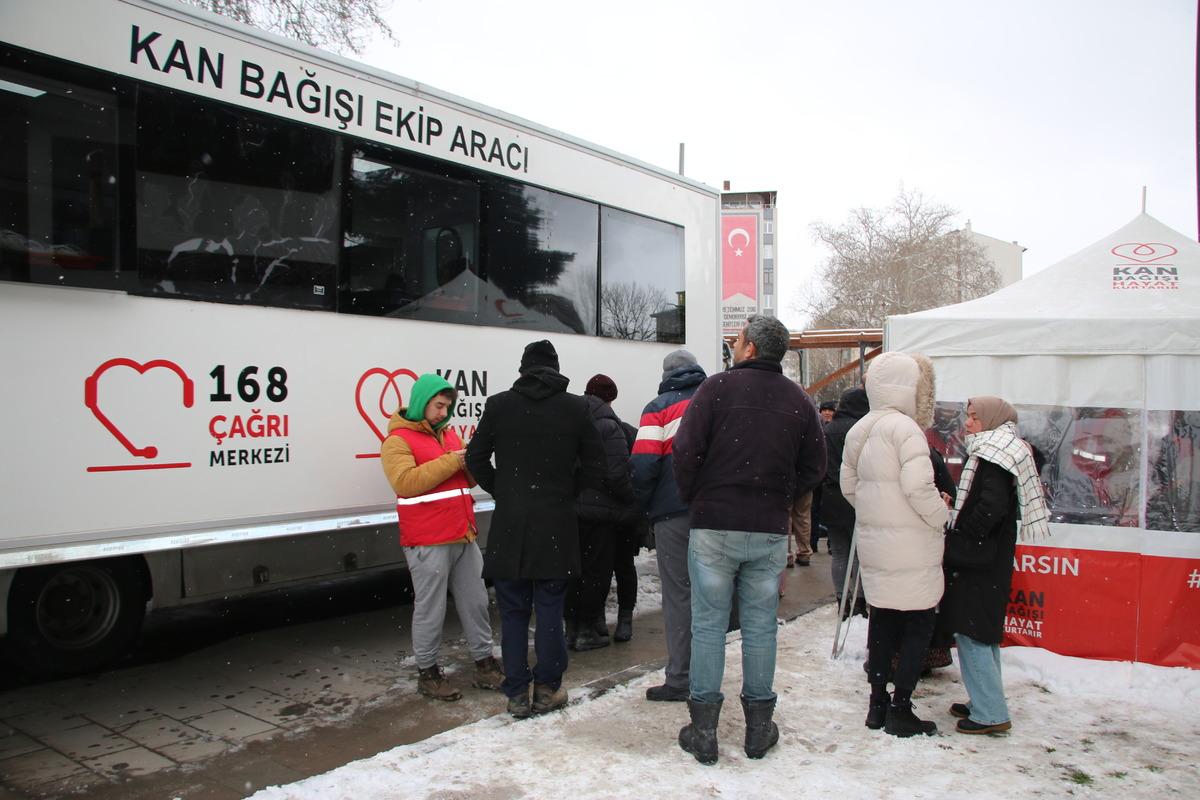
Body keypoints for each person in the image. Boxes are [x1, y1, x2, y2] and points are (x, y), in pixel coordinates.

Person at [673, 315, 827, 764]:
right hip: (768, 529)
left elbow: (685, 452)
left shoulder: (716, 389)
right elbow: (815, 467)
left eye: (737, 341)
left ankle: (703, 732)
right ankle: (759, 729)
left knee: (708, 624)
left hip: (714, 524)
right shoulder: (799, 400)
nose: (733, 347)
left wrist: (698, 496)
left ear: (750, 349)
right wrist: (779, 496)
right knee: (760, 627)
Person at [465, 340, 606, 719]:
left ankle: (515, 693)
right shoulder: (576, 407)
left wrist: (505, 490)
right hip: (556, 525)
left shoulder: (499, 405)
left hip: (511, 524)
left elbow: (474, 458)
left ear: (523, 368)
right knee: (549, 608)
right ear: (556, 369)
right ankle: (547, 688)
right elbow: (597, 465)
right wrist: (567, 495)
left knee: (512, 611)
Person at [841, 351, 948, 738]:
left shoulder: (860, 429)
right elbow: (919, 487)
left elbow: (848, 486)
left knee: (882, 624)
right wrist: (942, 515)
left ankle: (876, 705)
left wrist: (876, 513)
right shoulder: (906, 430)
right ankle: (901, 707)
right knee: (919, 624)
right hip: (912, 545)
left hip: (876, 543)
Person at [380, 373, 504, 701]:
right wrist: (453, 460)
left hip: (461, 534)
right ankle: (428, 672)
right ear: (422, 402)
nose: (443, 412)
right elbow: (405, 483)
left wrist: (472, 460)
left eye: (448, 406)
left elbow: (469, 482)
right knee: (430, 608)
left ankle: (484, 662)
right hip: (427, 538)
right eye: (438, 405)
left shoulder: (449, 436)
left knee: (476, 601)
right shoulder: (398, 441)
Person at [941, 396, 1050, 735]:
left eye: (974, 417)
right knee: (982, 632)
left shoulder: (994, 456)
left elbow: (991, 508)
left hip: (980, 558)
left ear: (990, 419)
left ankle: (990, 711)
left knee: (971, 630)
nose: (968, 423)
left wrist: (962, 535)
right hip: (990, 557)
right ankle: (986, 700)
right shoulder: (1002, 450)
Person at [630, 349, 707, 703]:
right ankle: (710, 674)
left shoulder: (658, 407)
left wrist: (644, 506)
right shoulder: (715, 399)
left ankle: (680, 679)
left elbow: (644, 465)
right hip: (715, 512)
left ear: (667, 374)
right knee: (713, 594)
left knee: (679, 595)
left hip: (674, 511)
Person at [566, 374, 636, 651]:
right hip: (602, 512)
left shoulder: (570, 418)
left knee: (574, 570)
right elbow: (617, 473)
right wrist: (632, 501)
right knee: (598, 572)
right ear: (611, 398)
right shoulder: (609, 426)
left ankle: (570, 628)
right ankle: (587, 630)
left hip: (572, 510)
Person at [821, 387, 869, 612]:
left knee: (839, 553)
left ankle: (842, 600)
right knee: (859, 553)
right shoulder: (861, 429)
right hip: (856, 497)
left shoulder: (829, 429)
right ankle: (859, 601)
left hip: (831, 497)